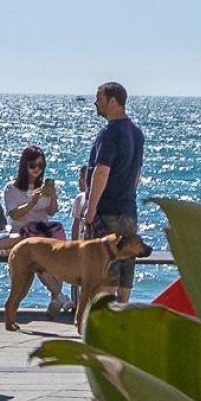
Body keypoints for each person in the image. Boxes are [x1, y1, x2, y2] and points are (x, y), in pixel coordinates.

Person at [81, 81, 146, 303]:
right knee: (127, 262)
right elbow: (136, 173)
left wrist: (90, 209)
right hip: (128, 208)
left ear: (112, 101)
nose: (95, 103)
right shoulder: (137, 133)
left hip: (107, 210)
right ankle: (123, 309)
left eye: (99, 99)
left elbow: (101, 172)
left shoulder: (109, 133)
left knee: (104, 265)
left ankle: (104, 315)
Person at [3, 145, 68, 311]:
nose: (37, 169)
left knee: (50, 257)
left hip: (41, 234)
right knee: (28, 277)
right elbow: (14, 214)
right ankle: (59, 296)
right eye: (33, 165)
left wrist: (52, 194)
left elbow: (52, 211)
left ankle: (57, 297)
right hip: (21, 235)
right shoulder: (12, 188)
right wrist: (31, 202)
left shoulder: (46, 188)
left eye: (41, 166)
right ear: (24, 165)